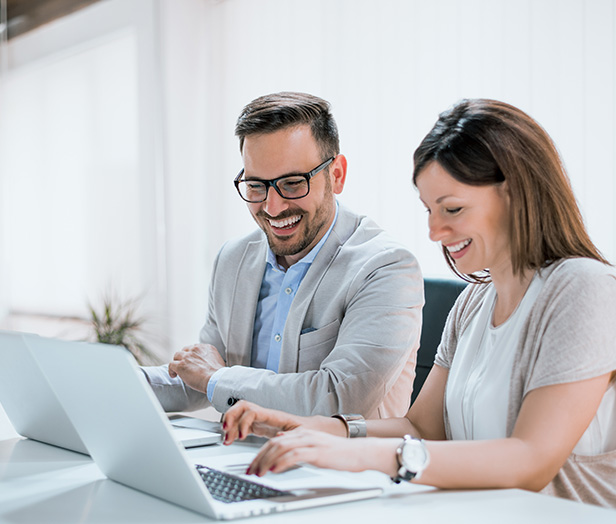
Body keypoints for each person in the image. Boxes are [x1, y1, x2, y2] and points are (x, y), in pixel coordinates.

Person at [222, 99, 616, 507]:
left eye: (453, 209)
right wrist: (314, 427)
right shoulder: (475, 302)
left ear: (517, 194)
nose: (434, 231)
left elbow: (531, 460)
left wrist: (357, 454)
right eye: (429, 210)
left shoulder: (585, 290)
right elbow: (421, 426)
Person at [142, 92, 423, 418]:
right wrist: (118, 381)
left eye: (292, 183)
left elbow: (339, 400)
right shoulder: (233, 260)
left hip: (338, 465)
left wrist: (216, 378)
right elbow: (200, 375)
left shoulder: (386, 268)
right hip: (242, 459)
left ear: (337, 175)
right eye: (256, 186)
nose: (272, 208)